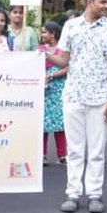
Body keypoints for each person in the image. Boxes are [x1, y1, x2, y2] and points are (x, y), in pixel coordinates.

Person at [50, 0, 107, 213]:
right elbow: (64, 60)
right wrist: (44, 53)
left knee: (97, 150)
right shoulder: (70, 26)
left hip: (100, 97)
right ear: (89, 1)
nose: (106, 6)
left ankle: (94, 194)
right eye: (102, 2)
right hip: (73, 94)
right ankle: (72, 194)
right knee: (74, 149)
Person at [40, 20, 68, 165]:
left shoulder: (63, 50)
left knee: (60, 122)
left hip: (58, 89)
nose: (42, 34)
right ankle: (42, 155)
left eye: (45, 32)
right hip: (43, 90)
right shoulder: (40, 49)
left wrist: (51, 76)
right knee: (43, 123)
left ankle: (62, 155)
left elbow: (68, 68)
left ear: (53, 34)